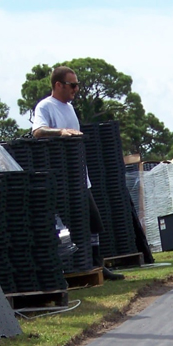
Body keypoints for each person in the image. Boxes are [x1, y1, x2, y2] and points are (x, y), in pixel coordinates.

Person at [32, 66, 124, 280]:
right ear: (58, 85)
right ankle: (71, 267)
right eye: (72, 85)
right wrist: (60, 132)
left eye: (77, 85)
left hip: (80, 175)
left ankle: (97, 264)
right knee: (69, 224)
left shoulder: (70, 108)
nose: (76, 89)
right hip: (61, 179)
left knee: (93, 221)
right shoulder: (45, 107)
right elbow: (38, 131)